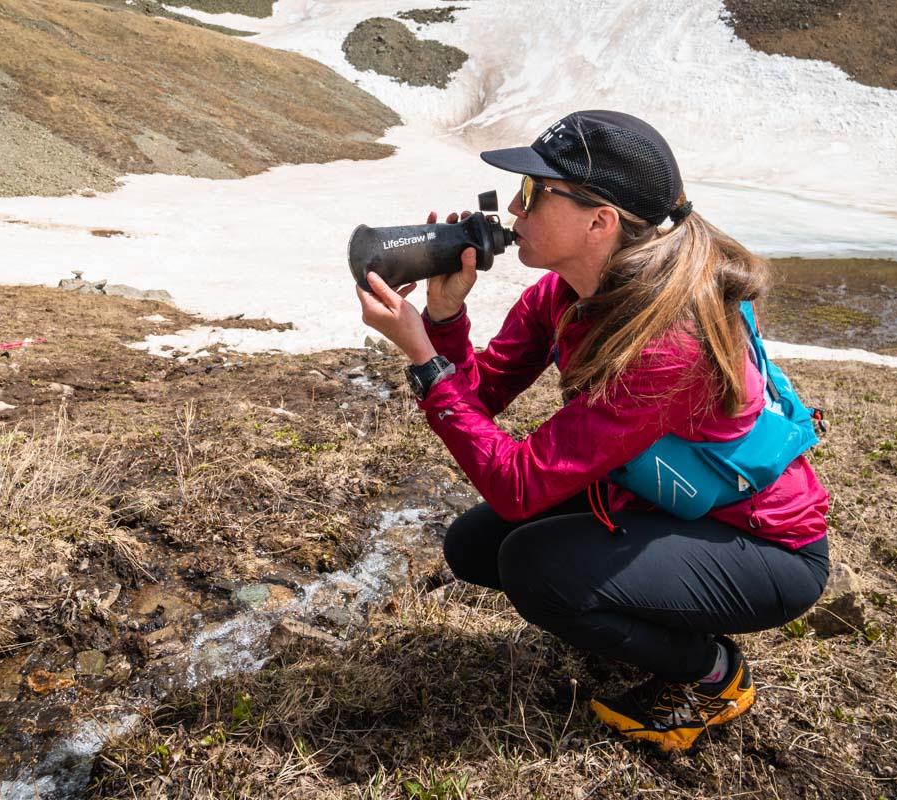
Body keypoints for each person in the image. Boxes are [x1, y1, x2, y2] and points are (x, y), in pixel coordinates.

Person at [354, 110, 830, 752]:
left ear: (599, 220)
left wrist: (424, 361)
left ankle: (712, 674)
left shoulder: (666, 344)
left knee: (536, 566)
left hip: (762, 549)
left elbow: (516, 486)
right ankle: (637, 614)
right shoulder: (560, 295)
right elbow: (483, 395)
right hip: (663, 499)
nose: (513, 213)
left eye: (531, 195)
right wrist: (444, 315)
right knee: (473, 547)